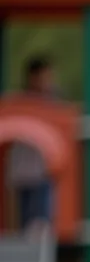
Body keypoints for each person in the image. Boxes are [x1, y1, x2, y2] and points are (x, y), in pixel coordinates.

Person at [6, 56, 59, 238]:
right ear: (33, 77)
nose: (48, 82)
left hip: (42, 173)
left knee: (40, 216)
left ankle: (38, 238)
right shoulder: (19, 104)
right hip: (23, 172)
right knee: (23, 215)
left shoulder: (52, 104)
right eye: (45, 77)